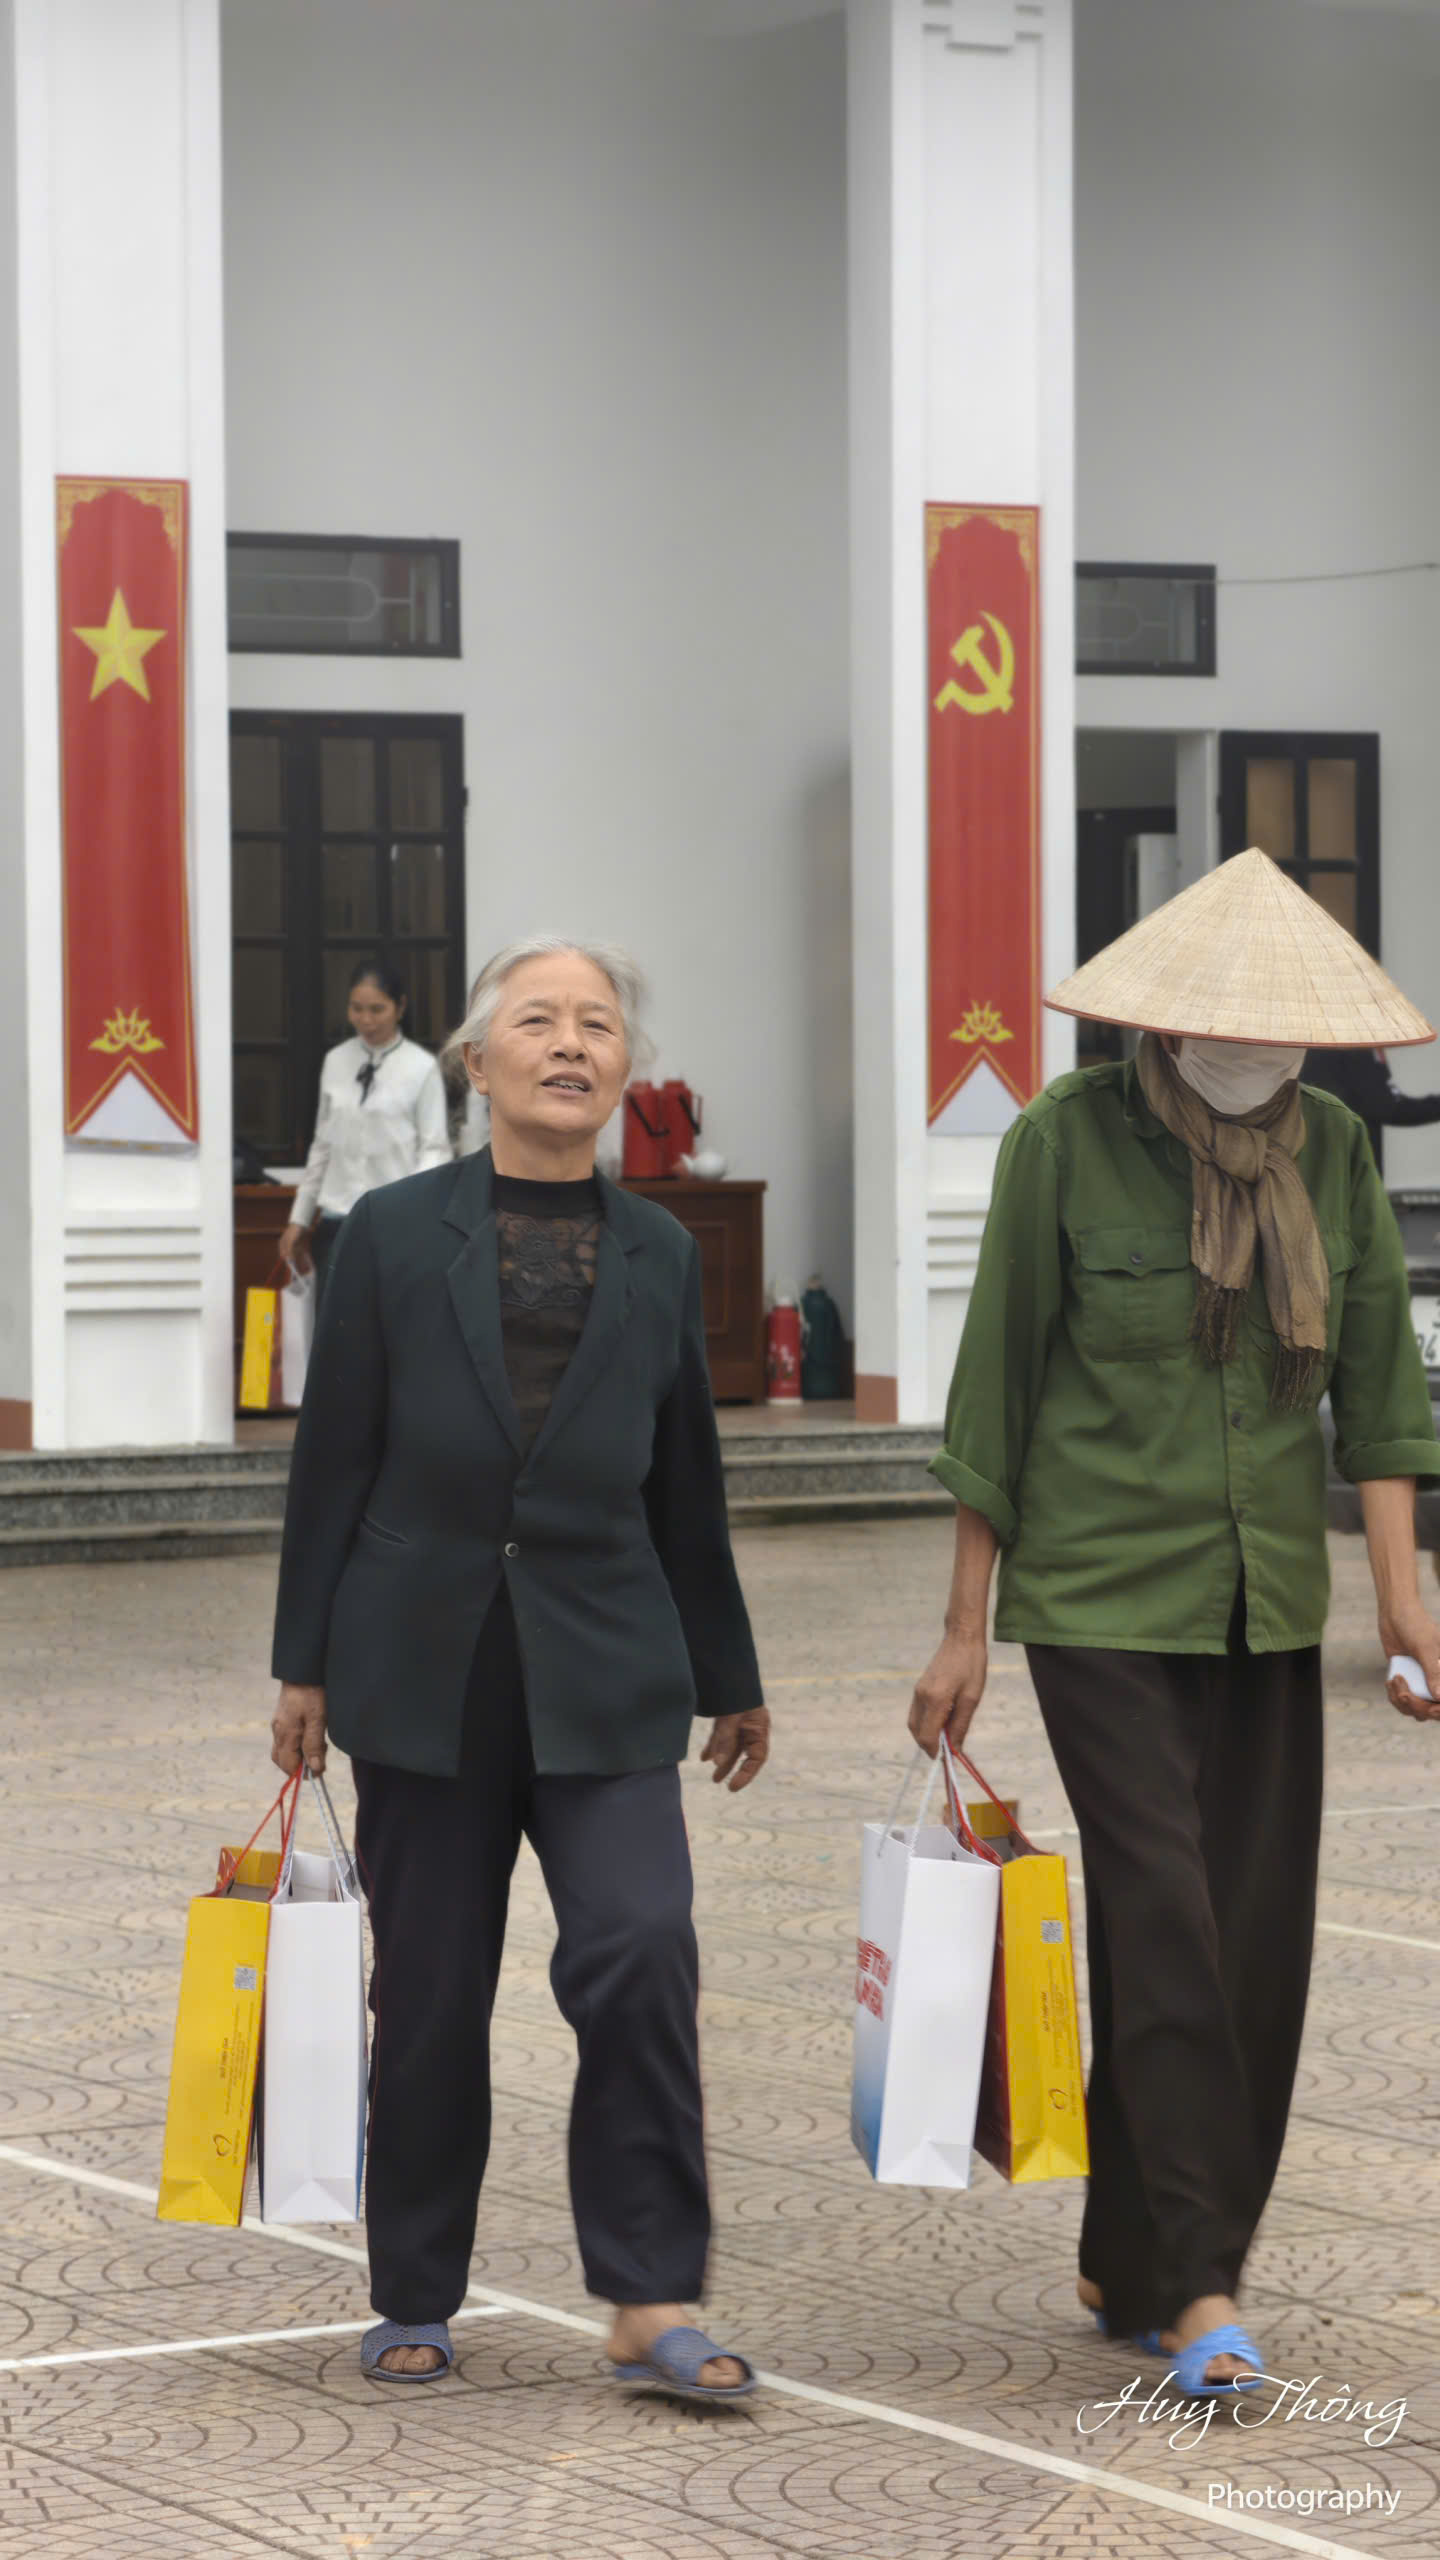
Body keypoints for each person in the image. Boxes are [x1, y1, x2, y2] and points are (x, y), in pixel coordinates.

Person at [909, 848, 1440, 2400]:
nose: (1255, 1047)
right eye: (1231, 1019)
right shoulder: (1067, 1141)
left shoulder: (1335, 1154)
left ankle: (1131, 2252)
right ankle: (1203, 2285)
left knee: (1252, 1943)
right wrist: (963, 1626)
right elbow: (997, 1382)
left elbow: (1378, 1391)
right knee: (1163, 1915)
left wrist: (1404, 1609)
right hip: (1097, 1594)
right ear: (1168, 1015)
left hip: (1265, 1602)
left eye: (1284, 1024)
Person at [269, 935, 770, 2398]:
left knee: (642, 1950)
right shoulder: (388, 1235)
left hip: (607, 1656)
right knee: (431, 1990)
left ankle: (650, 2298)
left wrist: (729, 1671)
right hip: (422, 1662)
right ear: (477, 1064)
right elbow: (331, 1460)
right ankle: (415, 2286)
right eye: (539, 1021)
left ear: (624, 1068)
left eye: (597, 1025)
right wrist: (302, 1665)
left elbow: (686, 1481)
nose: (570, 1044)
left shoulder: (662, 1249)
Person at [278, 960, 451, 1302]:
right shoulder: (335, 1061)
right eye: (357, 1009)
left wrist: (414, 1213)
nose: (366, 1020)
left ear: (399, 1007)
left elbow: (435, 1149)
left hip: (396, 1226)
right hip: (337, 1223)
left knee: (391, 1324)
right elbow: (322, 1146)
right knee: (335, 1324)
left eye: (377, 1009)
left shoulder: (422, 1067)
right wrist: (299, 1218)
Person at [1301, 1044, 1440, 1171]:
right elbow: (1385, 1106)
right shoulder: (1357, 1047)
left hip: (1318, 1157)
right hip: (1351, 1163)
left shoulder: (1319, 1044)